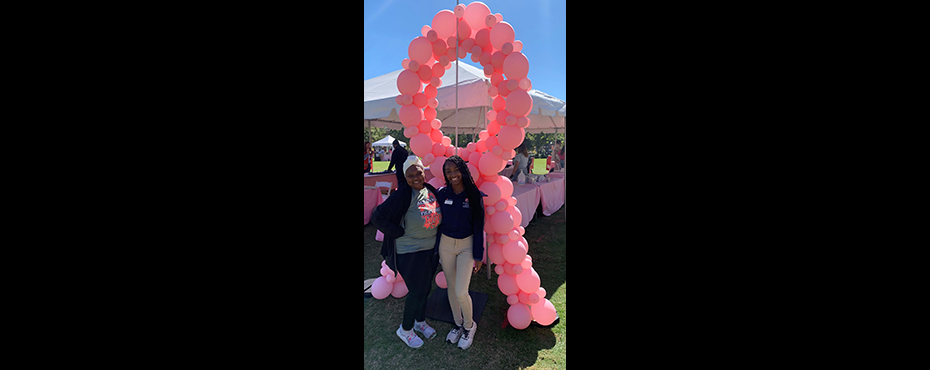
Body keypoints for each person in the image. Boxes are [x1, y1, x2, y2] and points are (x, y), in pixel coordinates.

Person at [371, 155, 442, 349]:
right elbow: (377, 216)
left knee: (426, 288)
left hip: (430, 250)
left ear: (423, 172)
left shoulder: (431, 191)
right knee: (417, 291)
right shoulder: (403, 194)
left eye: (418, 173)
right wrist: (397, 231)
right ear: (405, 177)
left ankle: (420, 321)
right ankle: (406, 329)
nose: (415, 178)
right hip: (409, 251)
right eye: (410, 175)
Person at [435, 155, 485, 349]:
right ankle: (457, 324)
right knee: (451, 287)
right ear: (445, 174)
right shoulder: (441, 193)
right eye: (448, 171)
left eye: (456, 170)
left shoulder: (474, 195)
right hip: (446, 245)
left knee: (461, 291)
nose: (452, 174)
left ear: (463, 170)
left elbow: (478, 226)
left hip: (466, 245)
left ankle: (469, 325)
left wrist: (478, 255)